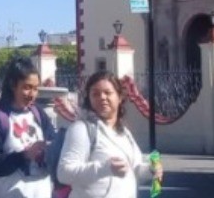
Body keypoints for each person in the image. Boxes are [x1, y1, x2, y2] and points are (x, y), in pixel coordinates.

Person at [57, 70, 162, 198]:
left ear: (120, 97)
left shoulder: (125, 133)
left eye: (108, 92)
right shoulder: (81, 129)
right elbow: (64, 173)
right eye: (95, 94)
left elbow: (132, 171)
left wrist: (150, 170)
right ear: (89, 99)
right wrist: (104, 168)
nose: (102, 97)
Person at [0, 57, 55, 198]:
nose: (32, 94)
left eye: (36, 88)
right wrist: (24, 155)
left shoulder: (38, 113)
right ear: (13, 85)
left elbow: (52, 141)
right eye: (27, 87)